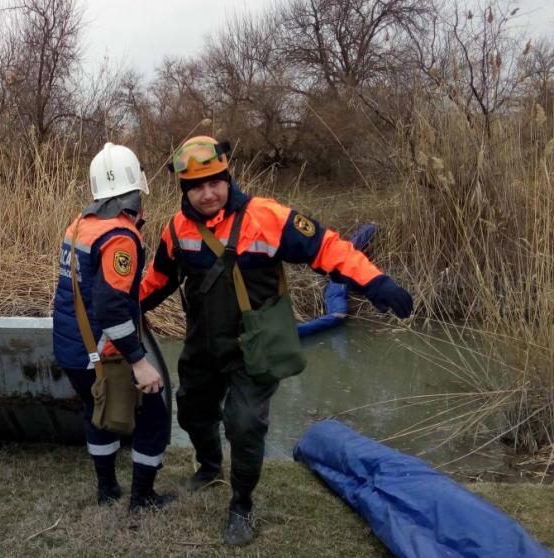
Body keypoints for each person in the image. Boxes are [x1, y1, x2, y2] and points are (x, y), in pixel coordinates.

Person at [140, 135, 413, 544]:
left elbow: (327, 247)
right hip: (202, 344)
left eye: (215, 181)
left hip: (257, 347)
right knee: (193, 412)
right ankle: (210, 467)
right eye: (196, 186)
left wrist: (375, 282)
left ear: (228, 176)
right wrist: (122, 310)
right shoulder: (177, 229)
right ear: (184, 190)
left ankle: (241, 504)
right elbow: (158, 280)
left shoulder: (265, 217)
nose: (208, 193)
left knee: (244, 424)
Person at [52, 143, 175, 512]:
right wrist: (139, 361)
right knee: (154, 414)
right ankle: (143, 497)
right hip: (102, 353)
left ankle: (107, 488)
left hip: (71, 349)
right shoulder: (120, 237)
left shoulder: (80, 226)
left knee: (98, 413)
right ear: (135, 191)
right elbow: (110, 309)